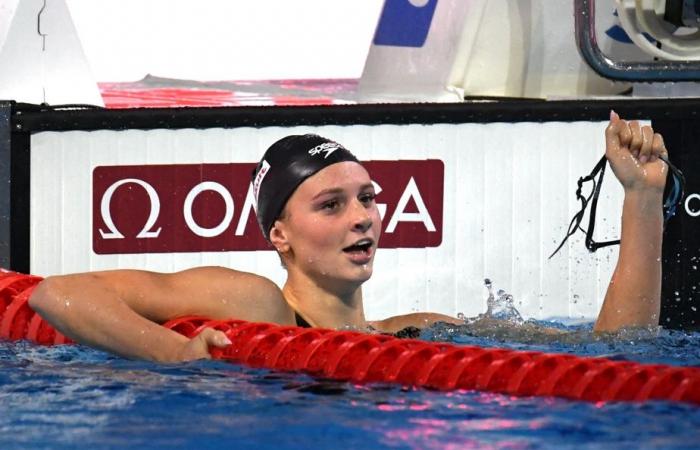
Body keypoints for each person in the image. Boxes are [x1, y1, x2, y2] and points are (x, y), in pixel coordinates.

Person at [28, 111, 669, 362]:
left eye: (367, 198)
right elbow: (57, 295)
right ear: (279, 233)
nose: (361, 217)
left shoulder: (420, 329)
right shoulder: (260, 305)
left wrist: (641, 200)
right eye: (330, 204)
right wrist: (173, 355)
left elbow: (618, 353)